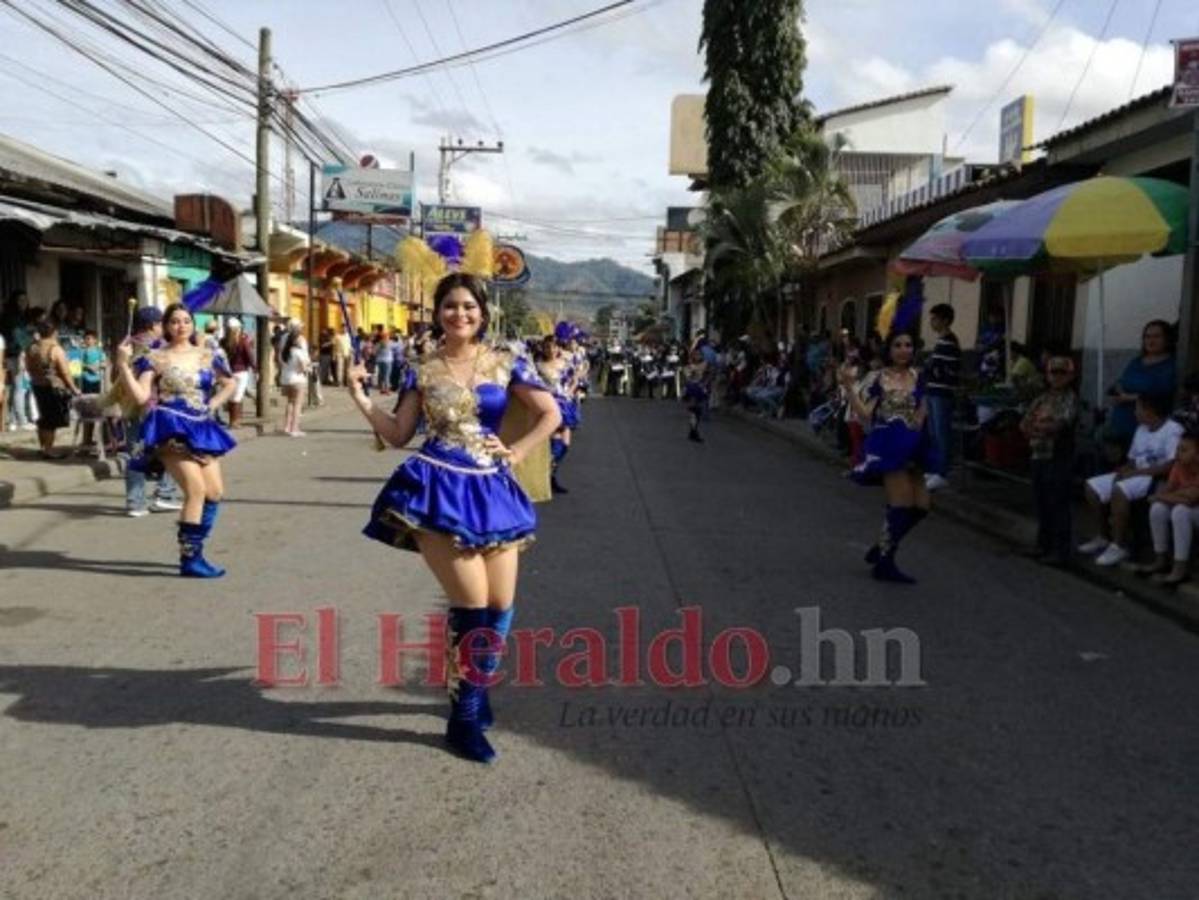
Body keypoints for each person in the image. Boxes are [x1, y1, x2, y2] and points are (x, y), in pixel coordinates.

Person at [352, 272, 561, 764]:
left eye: (469, 306)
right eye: (450, 306)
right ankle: (463, 718)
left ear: (483, 313)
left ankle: (471, 689)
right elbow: (400, 432)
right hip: (439, 489)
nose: (460, 314)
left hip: (493, 490)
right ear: (437, 312)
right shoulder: (421, 368)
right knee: (473, 607)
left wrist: (514, 451)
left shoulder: (506, 362)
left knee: (500, 607)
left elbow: (551, 413)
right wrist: (362, 400)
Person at [113, 303, 237, 576]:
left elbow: (229, 383)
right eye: (174, 322)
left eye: (186, 321)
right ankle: (190, 559)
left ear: (193, 325)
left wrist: (213, 404)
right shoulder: (155, 358)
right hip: (170, 428)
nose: (181, 326)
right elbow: (141, 397)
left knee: (215, 492)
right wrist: (122, 365)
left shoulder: (207, 355)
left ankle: (195, 547)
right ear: (165, 327)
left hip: (202, 428)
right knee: (196, 491)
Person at [841, 330, 932, 584]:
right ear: (888, 349)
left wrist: (916, 431)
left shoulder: (918, 376)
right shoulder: (877, 377)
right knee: (901, 505)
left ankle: (881, 547)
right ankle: (885, 563)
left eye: (909, 345)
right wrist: (849, 387)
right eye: (898, 345)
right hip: (888, 444)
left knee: (922, 506)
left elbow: (922, 408)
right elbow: (865, 414)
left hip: (914, 443)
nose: (904, 349)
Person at [1079, 393, 1184, 567]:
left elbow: (1171, 464)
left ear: (1150, 410)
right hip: (1137, 473)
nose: (1135, 412)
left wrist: (1136, 473)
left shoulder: (1173, 430)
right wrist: (1124, 470)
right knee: (1092, 487)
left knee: (1119, 489)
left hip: (1155, 477)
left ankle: (1118, 545)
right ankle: (1103, 536)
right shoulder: (1141, 429)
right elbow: (1133, 460)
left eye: (1138, 408)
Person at [119, 306, 183, 517]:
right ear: (153, 325)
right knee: (172, 450)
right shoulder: (160, 347)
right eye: (161, 323)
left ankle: (135, 503)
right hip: (155, 407)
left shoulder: (125, 347)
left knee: (135, 454)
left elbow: (115, 377)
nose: (163, 327)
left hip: (130, 408)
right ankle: (165, 494)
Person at [1020, 353, 1079, 567]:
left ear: (1070, 375)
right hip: (1038, 454)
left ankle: (1061, 551)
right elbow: (1025, 423)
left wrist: (1041, 427)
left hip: (1058, 455)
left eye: (1061, 372)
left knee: (1058, 504)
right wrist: (1040, 427)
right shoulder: (1042, 398)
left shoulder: (1070, 398)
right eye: (1053, 372)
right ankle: (1042, 545)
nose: (1056, 376)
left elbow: (1060, 425)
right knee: (1041, 502)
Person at [1138, 432, 1199, 587]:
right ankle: (1160, 560)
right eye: (1178, 449)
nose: (1178, 453)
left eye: (1184, 450)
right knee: (1158, 509)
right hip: (1187, 505)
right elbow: (1166, 491)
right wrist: (1180, 494)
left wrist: (1167, 496)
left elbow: (1192, 498)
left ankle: (1180, 569)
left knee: (1180, 511)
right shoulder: (1178, 466)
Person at [1106, 320, 1176, 453]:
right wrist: (1117, 391)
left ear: (1167, 339)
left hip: (1148, 425)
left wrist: (1130, 398)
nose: (1151, 340)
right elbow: (1122, 381)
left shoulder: (1171, 365)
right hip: (1120, 422)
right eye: (1147, 336)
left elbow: (1163, 393)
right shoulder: (1136, 362)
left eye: (1156, 336)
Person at [25, 319, 81, 458]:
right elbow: (65, 372)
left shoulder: (32, 348)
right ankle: (48, 450)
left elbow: (28, 367)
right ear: (54, 332)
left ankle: (43, 447)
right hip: (53, 387)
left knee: (43, 417)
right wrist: (74, 388)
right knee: (51, 419)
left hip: (37, 385)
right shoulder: (55, 349)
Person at [923, 303, 960, 492]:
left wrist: (931, 368)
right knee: (933, 433)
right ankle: (935, 468)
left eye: (935, 318)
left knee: (942, 432)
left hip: (942, 392)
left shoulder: (949, 342)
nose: (932, 322)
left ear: (945, 320)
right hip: (933, 391)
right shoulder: (941, 341)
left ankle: (942, 472)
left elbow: (947, 369)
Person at [537, 330, 578, 494]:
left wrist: (570, 391)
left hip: (564, 404)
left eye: (553, 347)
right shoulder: (538, 365)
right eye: (547, 347)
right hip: (549, 406)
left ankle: (551, 473)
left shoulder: (564, 363)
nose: (551, 350)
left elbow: (574, 378)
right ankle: (548, 477)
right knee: (554, 442)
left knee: (565, 444)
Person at [220, 318, 256, 428]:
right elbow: (249, 356)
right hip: (241, 372)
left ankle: (233, 421)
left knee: (231, 396)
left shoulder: (223, 341)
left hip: (228, 372)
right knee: (238, 397)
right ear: (238, 328)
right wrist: (255, 369)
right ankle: (235, 422)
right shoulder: (242, 341)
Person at [278, 320, 311, 437]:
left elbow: (279, 359)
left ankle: (287, 426)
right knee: (297, 404)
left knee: (290, 402)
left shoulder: (284, 341)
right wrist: (306, 369)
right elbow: (304, 363)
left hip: (285, 376)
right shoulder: (300, 344)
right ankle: (294, 428)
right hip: (297, 378)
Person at [682, 347, 709, 443]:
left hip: (700, 388)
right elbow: (688, 378)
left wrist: (704, 383)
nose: (698, 356)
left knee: (698, 412)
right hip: (692, 388)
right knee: (694, 410)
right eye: (696, 354)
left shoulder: (704, 364)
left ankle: (692, 431)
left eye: (700, 354)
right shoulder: (689, 366)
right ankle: (694, 432)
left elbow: (707, 376)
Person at [375, 329, 394, 395]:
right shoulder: (390, 343)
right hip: (387, 361)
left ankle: (382, 389)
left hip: (380, 361)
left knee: (382, 375)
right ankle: (387, 390)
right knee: (387, 376)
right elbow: (397, 348)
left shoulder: (379, 343)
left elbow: (375, 352)